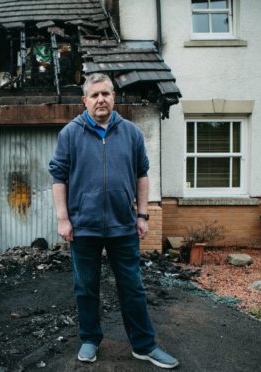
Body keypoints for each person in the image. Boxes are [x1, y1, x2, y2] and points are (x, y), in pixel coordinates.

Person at [48, 73, 178, 369]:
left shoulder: (131, 132)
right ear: (85, 101)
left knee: (133, 287)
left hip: (123, 226)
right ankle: (90, 339)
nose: (100, 100)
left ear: (114, 97)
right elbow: (58, 176)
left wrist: (143, 215)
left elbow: (142, 175)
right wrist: (63, 219)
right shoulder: (71, 133)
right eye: (94, 95)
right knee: (86, 287)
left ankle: (144, 345)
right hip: (84, 227)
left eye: (105, 93)